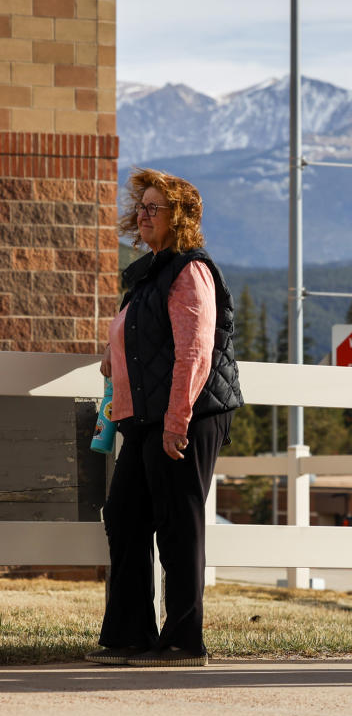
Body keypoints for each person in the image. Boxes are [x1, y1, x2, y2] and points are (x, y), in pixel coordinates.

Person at [87, 169, 243, 668]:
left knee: (178, 524)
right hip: (146, 417)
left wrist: (178, 419)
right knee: (125, 515)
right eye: (142, 206)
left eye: (156, 207)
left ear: (181, 217)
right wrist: (115, 353)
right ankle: (130, 636)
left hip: (186, 416)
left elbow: (194, 352)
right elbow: (140, 336)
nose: (144, 214)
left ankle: (181, 642)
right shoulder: (152, 270)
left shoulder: (190, 271)